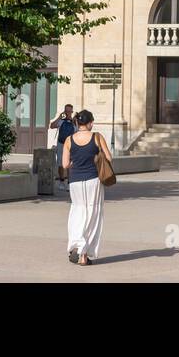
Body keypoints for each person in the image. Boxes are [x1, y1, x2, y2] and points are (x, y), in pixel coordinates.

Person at [62, 109, 110, 266]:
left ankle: (75, 244)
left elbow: (65, 165)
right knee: (93, 213)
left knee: (77, 211)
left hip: (75, 181)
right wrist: (96, 156)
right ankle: (84, 254)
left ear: (77, 122)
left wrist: (75, 162)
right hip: (93, 180)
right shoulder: (97, 137)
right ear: (89, 123)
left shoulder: (69, 140)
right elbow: (109, 158)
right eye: (92, 122)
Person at [49, 104, 76, 189]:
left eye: (69, 111)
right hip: (61, 144)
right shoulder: (61, 120)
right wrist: (59, 117)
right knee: (60, 163)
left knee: (69, 163)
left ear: (72, 112)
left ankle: (69, 182)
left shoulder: (74, 122)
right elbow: (52, 126)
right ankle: (61, 181)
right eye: (66, 111)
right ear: (64, 111)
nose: (68, 113)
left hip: (71, 145)